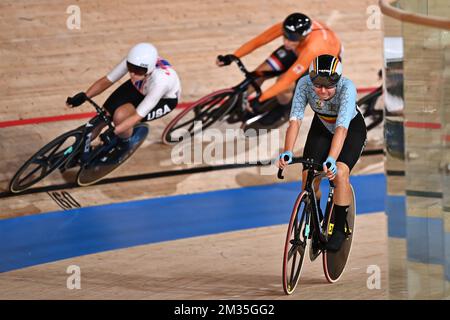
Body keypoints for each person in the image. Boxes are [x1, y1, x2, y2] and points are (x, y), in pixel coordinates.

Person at [277, 54, 367, 252]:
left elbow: (342, 129)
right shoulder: (303, 84)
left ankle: (340, 229)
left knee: (340, 173)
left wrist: (332, 160)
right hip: (323, 126)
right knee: (308, 176)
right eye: (318, 85)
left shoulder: (347, 88)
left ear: (338, 81)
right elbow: (295, 120)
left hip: (350, 128)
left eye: (328, 86)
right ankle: (316, 216)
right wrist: (288, 152)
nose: (323, 91)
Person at [217, 13, 341, 129]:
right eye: (285, 37)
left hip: (321, 61)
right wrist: (233, 56)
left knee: (284, 85)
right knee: (261, 71)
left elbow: (286, 81)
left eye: (291, 39)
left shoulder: (313, 48)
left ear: (303, 37)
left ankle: (284, 109)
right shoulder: (291, 28)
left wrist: (260, 99)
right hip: (299, 49)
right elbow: (259, 40)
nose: (286, 42)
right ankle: (236, 103)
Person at [66, 42, 181, 158]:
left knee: (120, 117)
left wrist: (114, 132)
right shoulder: (134, 61)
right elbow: (107, 80)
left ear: (149, 69)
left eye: (138, 71)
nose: (132, 74)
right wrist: (85, 96)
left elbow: (137, 116)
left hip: (163, 99)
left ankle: (124, 144)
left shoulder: (160, 82)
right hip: (140, 87)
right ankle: (72, 150)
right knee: (102, 117)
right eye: (130, 68)